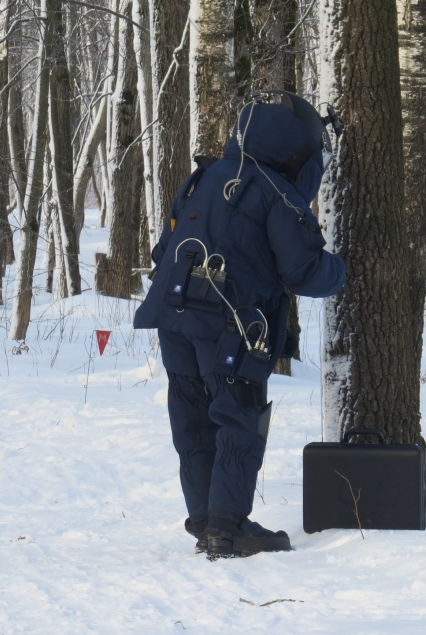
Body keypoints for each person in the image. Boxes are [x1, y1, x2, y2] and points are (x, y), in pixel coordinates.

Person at [133, 91, 346, 558]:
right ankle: (227, 530)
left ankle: (207, 519)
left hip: (172, 314)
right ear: (300, 150)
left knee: (190, 417)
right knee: (238, 415)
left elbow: (162, 249)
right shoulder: (277, 193)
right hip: (230, 323)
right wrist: (345, 269)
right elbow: (305, 271)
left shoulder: (204, 176)